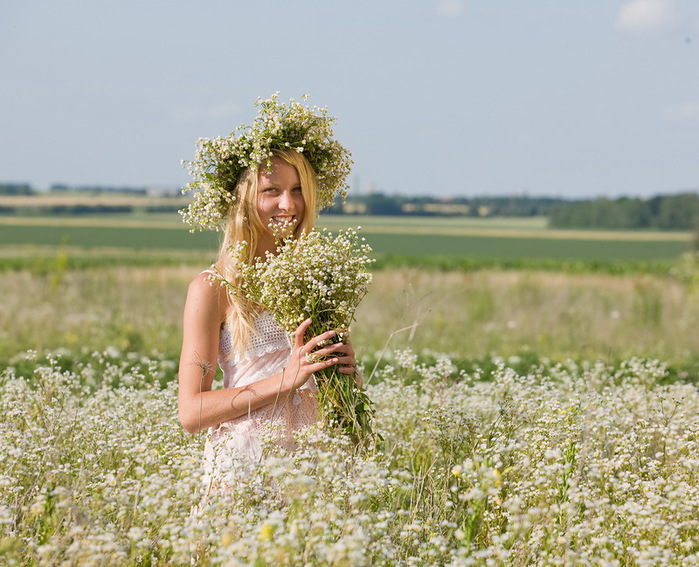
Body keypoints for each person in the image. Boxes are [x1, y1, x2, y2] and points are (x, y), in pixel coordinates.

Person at [177, 95, 358, 487]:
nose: (288, 204)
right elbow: (191, 412)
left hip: (318, 466)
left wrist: (347, 376)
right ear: (244, 200)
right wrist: (285, 379)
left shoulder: (318, 279)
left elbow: (334, 397)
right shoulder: (213, 289)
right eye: (271, 190)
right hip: (247, 468)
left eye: (297, 190)